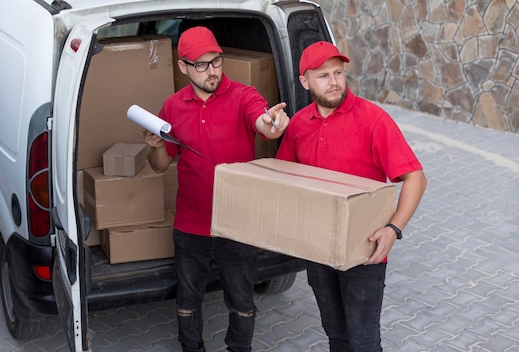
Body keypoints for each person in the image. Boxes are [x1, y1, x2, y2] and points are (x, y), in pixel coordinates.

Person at [143, 26, 289, 352]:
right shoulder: (172, 107)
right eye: (201, 64)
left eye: (216, 61)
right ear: (183, 67)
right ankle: (190, 347)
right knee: (188, 298)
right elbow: (160, 165)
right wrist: (153, 146)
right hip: (191, 222)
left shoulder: (243, 95)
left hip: (237, 222)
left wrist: (273, 123)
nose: (212, 71)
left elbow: (263, 122)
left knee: (241, 299)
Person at [276, 41, 427, 351]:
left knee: (364, 341)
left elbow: (416, 178)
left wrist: (393, 229)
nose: (334, 82)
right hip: (318, 246)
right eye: (323, 76)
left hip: (365, 248)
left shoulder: (373, 119)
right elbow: (284, 181)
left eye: (339, 73)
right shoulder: (299, 125)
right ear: (304, 82)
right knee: (336, 334)